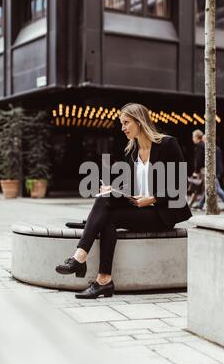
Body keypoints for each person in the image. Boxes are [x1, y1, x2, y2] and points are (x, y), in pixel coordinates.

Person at [55, 103, 192, 299]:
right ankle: (103, 281)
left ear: (139, 121)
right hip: (140, 208)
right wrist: (115, 190)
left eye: (126, 123)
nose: (123, 128)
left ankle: (80, 258)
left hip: (162, 213)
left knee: (106, 213)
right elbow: (132, 188)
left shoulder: (168, 144)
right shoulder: (132, 151)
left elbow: (179, 187)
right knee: (106, 207)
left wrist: (152, 199)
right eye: (121, 123)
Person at [195, 139, 224, 212]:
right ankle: (200, 205)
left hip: (213, 171)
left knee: (217, 188)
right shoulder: (217, 148)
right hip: (216, 171)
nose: (203, 141)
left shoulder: (211, 148)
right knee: (210, 187)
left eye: (204, 139)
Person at [188, 130, 205, 207]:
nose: (192, 139)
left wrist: (196, 171)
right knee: (198, 188)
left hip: (202, 170)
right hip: (203, 169)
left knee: (196, 187)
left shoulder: (199, 146)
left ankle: (190, 204)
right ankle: (192, 204)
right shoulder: (203, 145)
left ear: (196, 137)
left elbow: (199, 159)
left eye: (193, 137)